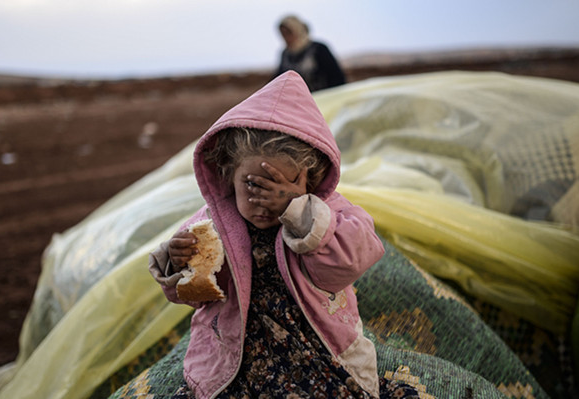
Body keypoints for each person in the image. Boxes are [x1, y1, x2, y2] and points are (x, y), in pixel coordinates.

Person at [148, 71, 419, 398]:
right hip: (238, 351)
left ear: (311, 178)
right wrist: (177, 264)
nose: (266, 201)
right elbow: (198, 294)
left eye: (284, 187)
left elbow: (344, 265)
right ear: (227, 173)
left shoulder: (331, 212)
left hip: (313, 347)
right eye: (252, 185)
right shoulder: (213, 223)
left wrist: (297, 212)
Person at [273, 15, 346, 92]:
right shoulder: (285, 54)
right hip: (298, 101)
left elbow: (336, 77)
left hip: (324, 98)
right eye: (283, 34)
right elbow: (279, 80)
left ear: (297, 30)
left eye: (288, 33)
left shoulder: (318, 49)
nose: (286, 38)